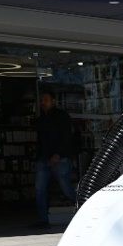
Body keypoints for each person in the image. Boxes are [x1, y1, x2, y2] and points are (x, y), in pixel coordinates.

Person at [33, 91, 79, 226]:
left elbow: (67, 137)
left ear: (53, 101)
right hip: (44, 158)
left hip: (61, 158)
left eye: (46, 100)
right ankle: (43, 220)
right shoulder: (41, 119)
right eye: (42, 100)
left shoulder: (62, 116)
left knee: (66, 187)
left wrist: (59, 154)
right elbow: (40, 140)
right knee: (40, 189)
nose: (43, 103)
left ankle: (85, 208)